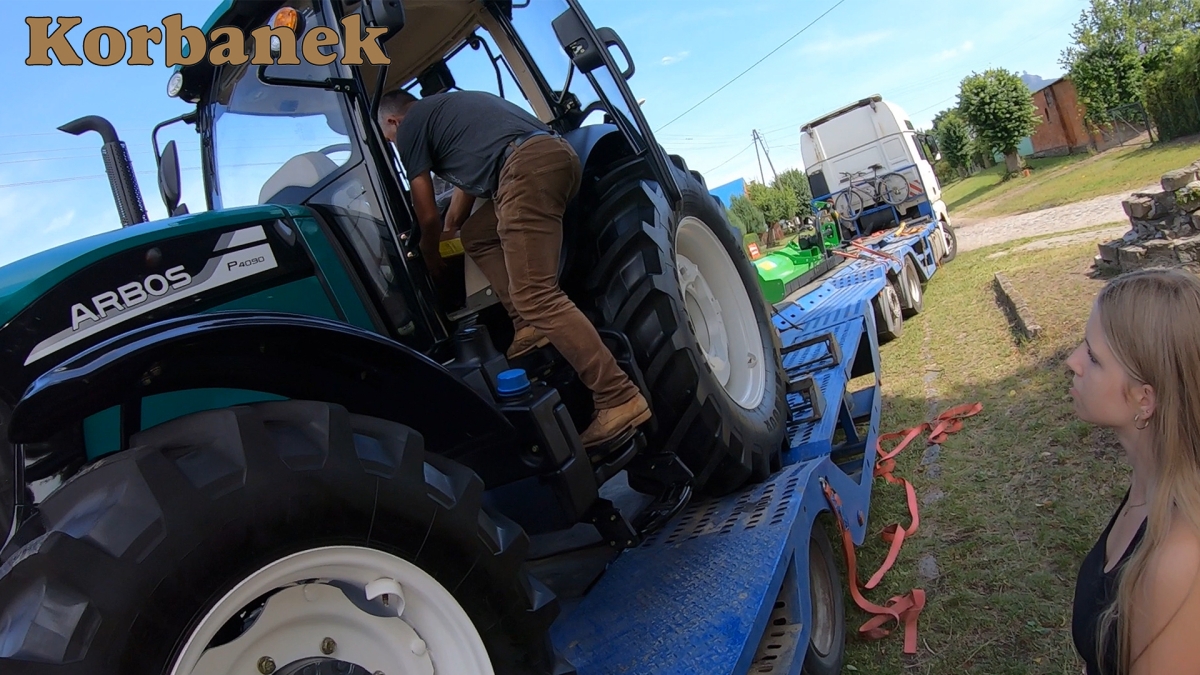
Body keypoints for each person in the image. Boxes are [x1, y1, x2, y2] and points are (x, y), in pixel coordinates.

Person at [377, 88, 651, 448]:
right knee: (478, 233)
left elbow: (427, 215)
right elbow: (462, 200)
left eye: (389, 136)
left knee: (536, 294)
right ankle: (527, 325)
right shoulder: (449, 112)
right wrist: (453, 226)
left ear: (394, 121)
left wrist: (431, 257)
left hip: (524, 170)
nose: (395, 142)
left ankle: (617, 395)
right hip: (550, 157)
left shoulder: (410, 126)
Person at [1066, 267, 1200, 675]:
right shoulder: (1152, 484)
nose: (1072, 362)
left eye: (1092, 356)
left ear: (1145, 400)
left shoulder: (1177, 560)